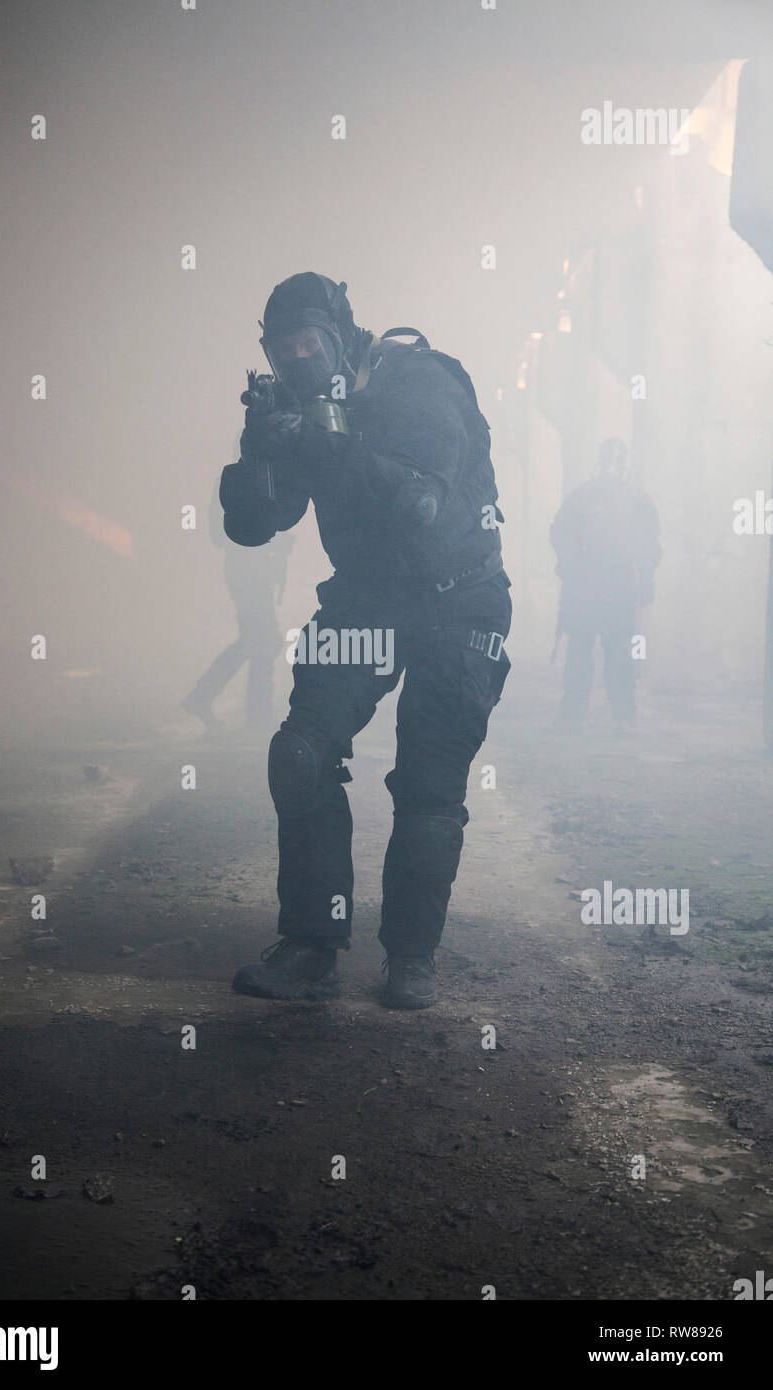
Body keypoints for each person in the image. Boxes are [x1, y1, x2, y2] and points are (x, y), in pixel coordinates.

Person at [219, 273, 511, 1009]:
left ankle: (411, 957)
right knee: (302, 753)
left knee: (428, 784)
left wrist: (315, 443)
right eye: (282, 350)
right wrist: (259, 452)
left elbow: (418, 501)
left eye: (308, 342)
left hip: (458, 602)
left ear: (342, 335)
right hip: (368, 602)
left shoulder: (420, 383)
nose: (299, 359)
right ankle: (312, 943)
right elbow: (255, 526)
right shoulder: (300, 406)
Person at [550, 438, 662, 732]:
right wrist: (570, 568)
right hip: (589, 586)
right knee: (584, 652)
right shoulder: (586, 497)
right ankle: (577, 715)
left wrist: (646, 578)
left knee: (616, 654)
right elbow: (561, 535)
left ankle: (619, 716)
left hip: (614, 585)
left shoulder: (630, 500)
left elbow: (649, 543)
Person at [182, 489, 293, 733]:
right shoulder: (243, 482)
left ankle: (210, 699)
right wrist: (272, 538)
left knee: (258, 640)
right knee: (264, 641)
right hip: (247, 574)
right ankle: (253, 714)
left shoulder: (244, 480)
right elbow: (223, 536)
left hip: (250, 573)